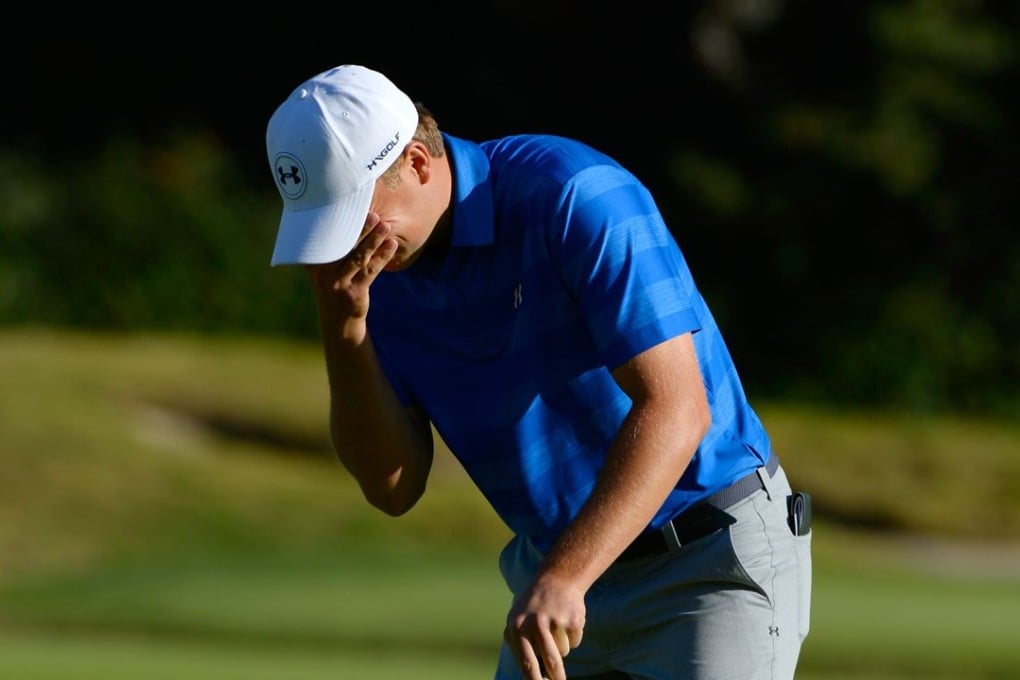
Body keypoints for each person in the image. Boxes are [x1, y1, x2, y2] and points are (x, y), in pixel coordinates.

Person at [265, 63, 812, 680]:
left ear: (417, 163)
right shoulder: (375, 279)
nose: (341, 247)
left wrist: (567, 577)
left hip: (706, 564)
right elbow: (393, 487)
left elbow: (678, 408)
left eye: (352, 215)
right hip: (556, 584)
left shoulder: (573, 194)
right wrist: (344, 328)